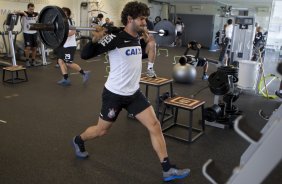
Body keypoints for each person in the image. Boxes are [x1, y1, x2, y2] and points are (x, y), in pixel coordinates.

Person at [72, 1, 190, 182]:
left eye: (146, 19)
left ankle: (167, 169)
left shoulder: (137, 37)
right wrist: (95, 39)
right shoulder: (114, 37)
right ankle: (79, 140)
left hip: (133, 93)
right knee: (102, 131)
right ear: (130, 19)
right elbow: (86, 55)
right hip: (114, 94)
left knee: (155, 126)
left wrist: (150, 45)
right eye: (142, 19)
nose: (145, 23)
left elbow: (139, 55)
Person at [56, 7, 90, 86]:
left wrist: (62, 35)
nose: (62, 14)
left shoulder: (70, 21)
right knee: (60, 61)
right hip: (63, 45)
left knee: (68, 63)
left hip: (69, 46)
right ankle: (66, 79)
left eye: (64, 12)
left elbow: (73, 31)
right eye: (61, 12)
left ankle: (84, 73)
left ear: (67, 14)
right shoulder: (59, 22)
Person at [17, 3, 39, 67]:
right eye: (30, 9)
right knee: (28, 47)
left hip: (34, 32)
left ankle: (33, 60)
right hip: (26, 33)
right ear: (28, 8)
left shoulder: (35, 14)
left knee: (34, 48)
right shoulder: (24, 13)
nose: (31, 10)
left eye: (32, 9)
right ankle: (27, 60)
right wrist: (23, 13)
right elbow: (16, 12)